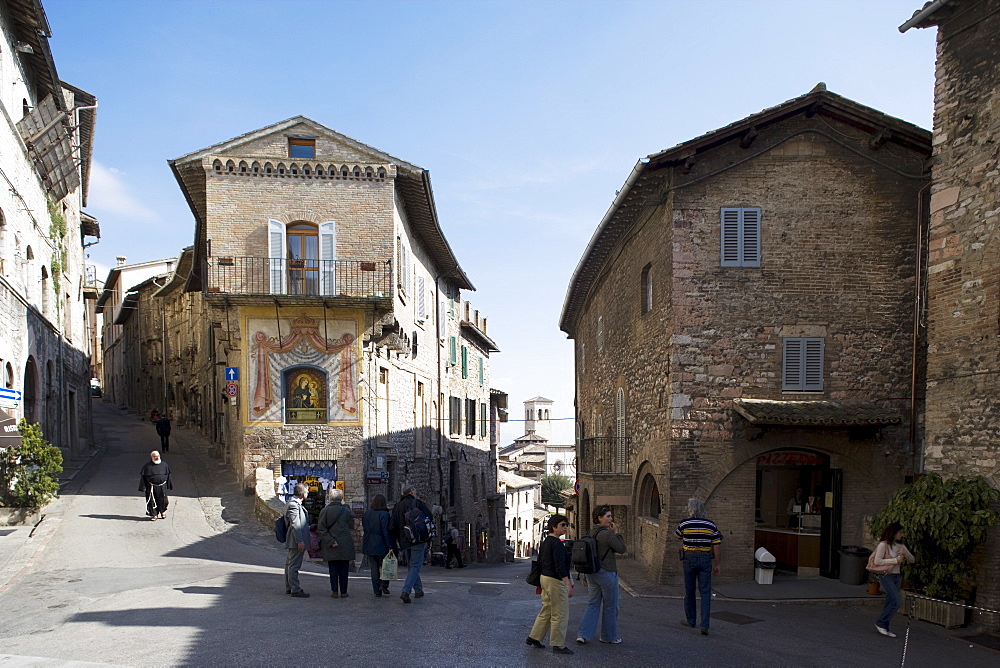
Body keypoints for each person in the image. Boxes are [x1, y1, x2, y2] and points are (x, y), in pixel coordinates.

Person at [576, 505, 627, 645]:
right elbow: (622, 549)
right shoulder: (607, 534)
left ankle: (583, 634)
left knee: (592, 603)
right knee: (611, 605)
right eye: (608, 516)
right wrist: (616, 533)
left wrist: (585, 577)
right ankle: (608, 636)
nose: (611, 519)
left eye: (611, 516)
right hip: (607, 573)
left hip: (592, 574)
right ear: (599, 518)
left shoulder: (589, 533)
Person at [526, 514, 575, 655]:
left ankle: (534, 637)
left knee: (547, 609)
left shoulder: (546, 541)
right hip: (554, 580)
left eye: (566, 524)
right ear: (554, 527)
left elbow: (540, 561)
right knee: (560, 612)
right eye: (562, 525)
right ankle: (558, 644)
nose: (565, 527)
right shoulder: (557, 544)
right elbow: (560, 566)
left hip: (545, 578)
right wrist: (568, 584)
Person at [675, 498, 722, 635]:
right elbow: (717, 545)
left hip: (689, 558)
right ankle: (705, 625)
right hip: (705, 558)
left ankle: (691, 620)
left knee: (689, 591)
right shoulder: (711, 525)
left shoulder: (685, 523)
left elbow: (677, 535)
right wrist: (717, 563)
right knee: (705, 592)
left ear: (691, 510)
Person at [390, 485, 433, 603]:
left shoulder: (397, 506)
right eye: (415, 490)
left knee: (411, 565)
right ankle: (406, 591)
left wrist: (396, 540)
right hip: (418, 539)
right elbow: (430, 516)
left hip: (404, 540)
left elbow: (393, 525)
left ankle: (418, 590)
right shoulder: (418, 503)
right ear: (411, 492)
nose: (416, 492)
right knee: (415, 565)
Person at [873, 522, 915, 638]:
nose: (902, 535)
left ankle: (885, 626)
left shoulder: (901, 546)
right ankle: (880, 622)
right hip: (886, 576)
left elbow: (912, 560)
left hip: (897, 576)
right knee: (896, 602)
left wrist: (905, 554)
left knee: (890, 601)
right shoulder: (883, 545)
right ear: (893, 533)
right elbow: (877, 562)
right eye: (900, 532)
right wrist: (895, 560)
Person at [317, 487, 356, 598]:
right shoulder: (345, 510)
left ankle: (334, 591)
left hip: (331, 543)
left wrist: (330, 540)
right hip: (344, 543)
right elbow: (352, 515)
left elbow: (321, 528)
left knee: (333, 568)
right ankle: (344, 591)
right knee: (344, 569)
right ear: (341, 498)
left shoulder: (325, 511)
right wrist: (345, 505)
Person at [362, 493, 396, 597]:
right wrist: (390, 545)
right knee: (387, 565)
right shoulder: (384, 514)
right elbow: (386, 531)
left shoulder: (366, 514)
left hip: (369, 542)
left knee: (374, 567)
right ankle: (383, 583)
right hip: (381, 542)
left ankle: (376, 590)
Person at [284, 483, 311, 598]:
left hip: (294, 540)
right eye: (307, 492)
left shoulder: (294, 503)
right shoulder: (293, 505)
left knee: (290, 564)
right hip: (295, 541)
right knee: (294, 565)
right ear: (303, 493)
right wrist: (300, 541)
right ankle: (295, 589)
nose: (308, 493)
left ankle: (289, 587)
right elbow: (296, 525)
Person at [138, 450, 172, 520]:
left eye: (157, 456)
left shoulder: (164, 465)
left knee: (163, 500)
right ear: (151, 457)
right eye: (154, 456)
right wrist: (143, 487)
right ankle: (154, 514)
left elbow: (168, 475)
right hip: (151, 487)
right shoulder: (147, 466)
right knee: (152, 501)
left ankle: (163, 512)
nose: (156, 457)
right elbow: (143, 478)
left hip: (162, 486)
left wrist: (169, 485)